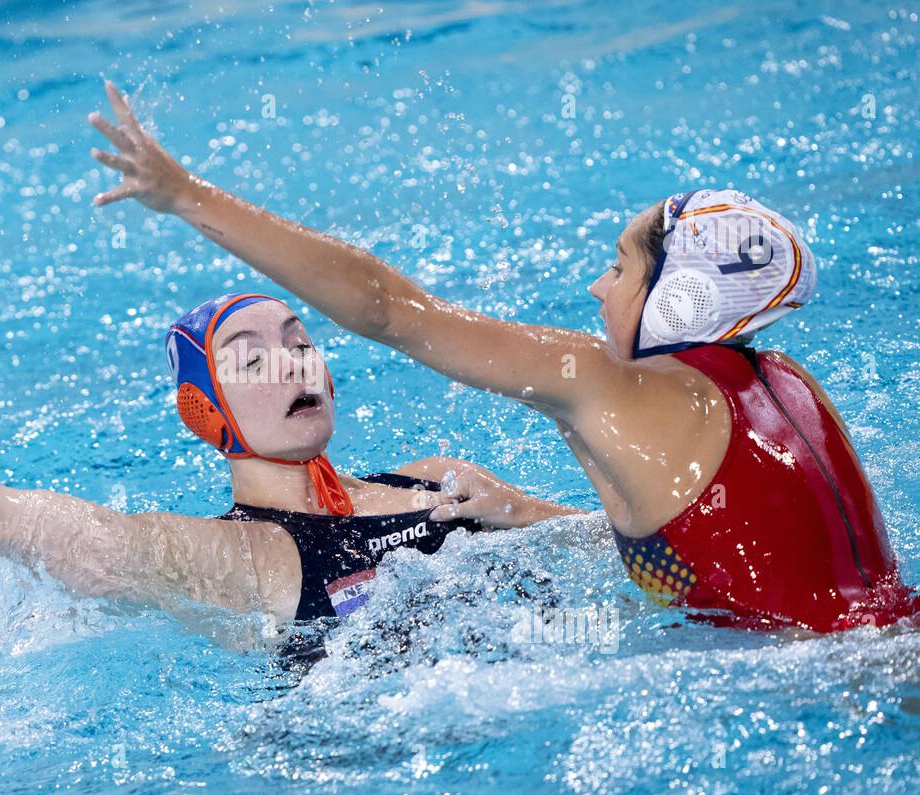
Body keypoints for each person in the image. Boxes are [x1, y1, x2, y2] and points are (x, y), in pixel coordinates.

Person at [87, 79, 919, 633]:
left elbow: (388, 308)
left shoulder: (611, 388)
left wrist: (186, 195)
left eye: (622, 268)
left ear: (683, 302)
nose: (599, 288)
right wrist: (522, 515)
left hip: (821, 690)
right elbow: (727, 552)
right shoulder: (787, 386)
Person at [0, 294, 576, 627]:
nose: (294, 361)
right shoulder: (223, 559)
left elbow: (616, 542)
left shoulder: (445, 480)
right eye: (252, 358)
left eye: (300, 339)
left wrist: (522, 516)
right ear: (203, 411)